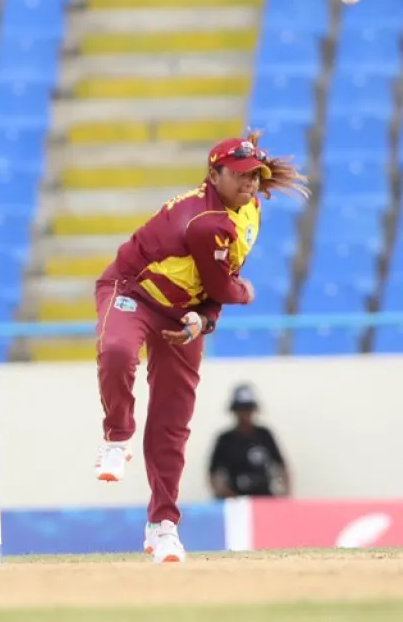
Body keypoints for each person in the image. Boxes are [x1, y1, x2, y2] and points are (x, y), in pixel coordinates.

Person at [90, 132, 309, 563]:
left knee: (172, 421)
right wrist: (243, 293)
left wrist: (203, 320)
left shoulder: (251, 210)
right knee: (116, 350)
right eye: (241, 176)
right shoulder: (205, 219)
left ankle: (163, 527)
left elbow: (215, 286)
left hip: (183, 314)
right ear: (214, 174)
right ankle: (117, 435)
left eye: (255, 176)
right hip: (134, 291)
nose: (250, 184)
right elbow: (226, 286)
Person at [208, 383, 291, 498]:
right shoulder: (225, 439)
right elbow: (213, 472)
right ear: (234, 411)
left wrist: (285, 493)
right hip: (235, 499)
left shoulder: (264, 435)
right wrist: (222, 494)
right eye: (241, 409)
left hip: (264, 498)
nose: (245, 414)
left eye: (248, 409)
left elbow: (281, 465)